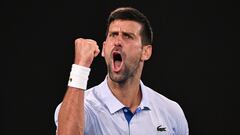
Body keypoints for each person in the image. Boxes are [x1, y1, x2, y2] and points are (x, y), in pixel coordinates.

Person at [54, 7, 189, 135]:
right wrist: (80, 67)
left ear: (146, 52)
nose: (117, 42)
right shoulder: (83, 107)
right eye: (113, 35)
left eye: (127, 36)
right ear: (104, 48)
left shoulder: (171, 112)